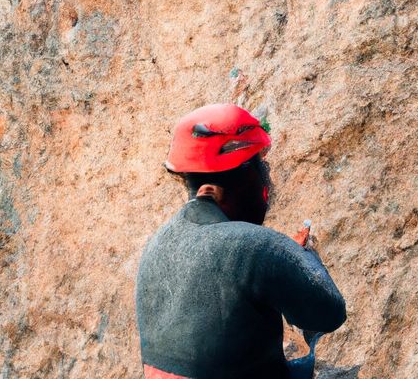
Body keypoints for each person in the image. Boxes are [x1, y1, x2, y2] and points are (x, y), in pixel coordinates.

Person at [136, 104, 347, 379]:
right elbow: (328, 313)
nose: (266, 177)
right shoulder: (255, 247)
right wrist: (302, 257)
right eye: (259, 166)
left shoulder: (157, 244)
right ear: (233, 182)